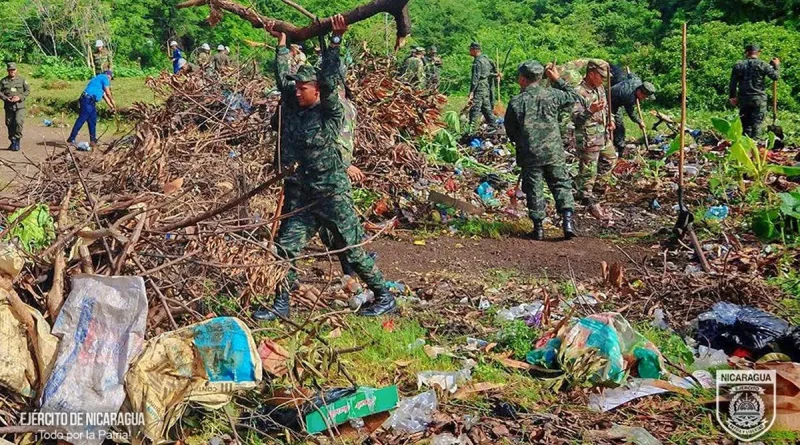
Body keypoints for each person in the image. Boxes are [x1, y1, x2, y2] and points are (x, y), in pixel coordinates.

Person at [253, 14, 396, 321]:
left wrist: (335, 41)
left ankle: (384, 295)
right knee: (285, 248)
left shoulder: (329, 112)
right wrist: (282, 43)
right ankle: (281, 302)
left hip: (331, 194)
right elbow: (282, 77)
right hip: (304, 195)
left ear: (317, 90)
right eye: (297, 88)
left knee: (352, 249)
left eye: (303, 88)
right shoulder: (294, 105)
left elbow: (330, 80)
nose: (297, 92)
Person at [504, 61, 584, 241]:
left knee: (534, 189)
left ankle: (538, 229)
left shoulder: (517, 102)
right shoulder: (553, 94)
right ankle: (567, 222)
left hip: (530, 152)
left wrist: (522, 141)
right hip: (553, 150)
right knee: (561, 184)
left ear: (522, 79)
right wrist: (557, 79)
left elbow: (511, 130)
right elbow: (574, 96)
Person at [572, 60, 616, 221]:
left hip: (602, 134)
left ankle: (597, 189)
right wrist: (590, 110)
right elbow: (575, 119)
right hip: (588, 137)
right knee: (588, 169)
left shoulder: (600, 88)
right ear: (591, 74)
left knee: (610, 159)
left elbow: (607, 108)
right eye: (601, 76)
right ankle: (585, 196)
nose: (603, 80)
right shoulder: (579, 92)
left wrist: (611, 120)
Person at [729, 44, 780, 138]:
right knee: (757, 123)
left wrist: (732, 97)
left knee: (745, 123)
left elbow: (733, 83)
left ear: (746, 53)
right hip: (759, 98)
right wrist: (776, 66)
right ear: (758, 53)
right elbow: (775, 76)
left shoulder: (739, 65)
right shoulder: (763, 64)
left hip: (744, 98)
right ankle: (756, 143)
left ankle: (745, 143)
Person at [66, 71, 116, 147]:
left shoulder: (99, 83)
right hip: (87, 99)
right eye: (110, 78)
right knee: (82, 119)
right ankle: (71, 139)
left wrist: (112, 106)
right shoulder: (104, 77)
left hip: (91, 102)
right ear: (109, 76)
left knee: (92, 121)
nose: (110, 81)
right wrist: (112, 100)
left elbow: (105, 97)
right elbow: (108, 92)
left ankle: (93, 141)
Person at [611, 76, 655, 156]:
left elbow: (630, 75)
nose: (644, 99)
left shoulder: (637, 80)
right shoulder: (629, 97)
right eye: (644, 97)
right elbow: (631, 113)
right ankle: (618, 149)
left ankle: (618, 145)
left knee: (619, 124)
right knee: (618, 126)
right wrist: (639, 121)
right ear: (639, 92)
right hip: (610, 101)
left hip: (617, 98)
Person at [468, 42, 501, 132]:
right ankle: (494, 125)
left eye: (470, 49)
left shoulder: (478, 61)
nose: (469, 51)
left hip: (480, 87)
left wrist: (471, 91)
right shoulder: (486, 60)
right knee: (486, 108)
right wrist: (496, 75)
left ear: (475, 50)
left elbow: (476, 77)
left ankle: (471, 130)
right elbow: (488, 73)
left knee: (475, 108)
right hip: (486, 87)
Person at [1, 63, 30, 151]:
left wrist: (19, 97)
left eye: (13, 70)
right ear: (7, 70)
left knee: (18, 122)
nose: (12, 71)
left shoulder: (22, 80)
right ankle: (12, 141)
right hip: (9, 106)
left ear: (16, 70)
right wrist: (5, 98)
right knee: (9, 123)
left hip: (19, 106)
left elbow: (27, 91)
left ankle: (17, 140)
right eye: (10, 70)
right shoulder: (3, 81)